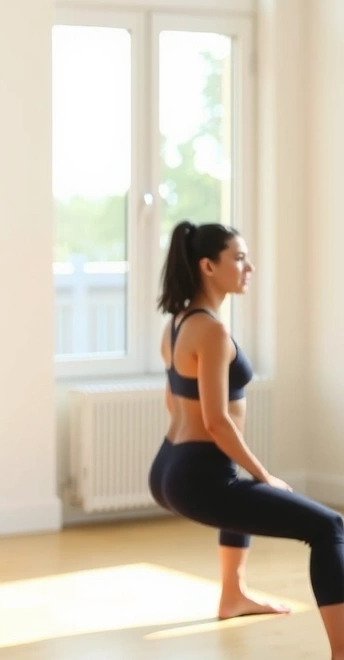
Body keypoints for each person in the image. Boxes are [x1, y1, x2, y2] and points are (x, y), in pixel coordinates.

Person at [148, 221, 344, 656]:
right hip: (195, 473)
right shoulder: (213, 332)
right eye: (238, 257)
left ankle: (232, 596)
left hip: (167, 467)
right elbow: (217, 422)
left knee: (238, 495)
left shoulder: (177, 325)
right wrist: (264, 474)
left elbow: (173, 404)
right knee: (329, 526)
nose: (248, 266)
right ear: (208, 266)